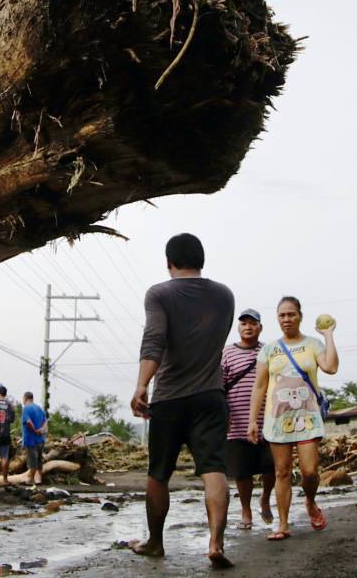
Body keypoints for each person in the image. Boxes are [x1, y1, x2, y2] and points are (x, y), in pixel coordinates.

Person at [129, 233, 236, 569]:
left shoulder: (159, 293)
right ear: (201, 260)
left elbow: (155, 339)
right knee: (214, 469)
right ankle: (216, 542)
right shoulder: (225, 295)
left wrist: (141, 385)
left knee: (158, 473)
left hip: (171, 397)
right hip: (211, 395)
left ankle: (155, 543)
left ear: (168, 262)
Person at [248, 296, 339, 541]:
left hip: (308, 418)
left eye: (291, 314)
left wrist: (328, 335)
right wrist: (252, 420)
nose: (286, 319)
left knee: (310, 472)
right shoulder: (269, 349)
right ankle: (283, 524)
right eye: (282, 315)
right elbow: (259, 387)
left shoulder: (313, 344)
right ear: (277, 319)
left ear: (300, 316)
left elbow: (331, 367)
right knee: (282, 472)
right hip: (277, 420)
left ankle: (310, 500)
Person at [222, 308, 275, 529]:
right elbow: (219, 384)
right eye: (244, 323)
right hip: (236, 422)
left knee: (271, 466)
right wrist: (222, 414)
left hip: (268, 420)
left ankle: (265, 498)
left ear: (260, 327)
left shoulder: (270, 351)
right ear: (238, 327)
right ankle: (246, 511)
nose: (248, 327)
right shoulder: (226, 352)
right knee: (242, 472)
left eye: (253, 323)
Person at [21, 391, 48, 486]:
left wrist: (35, 430)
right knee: (39, 460)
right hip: (40, 439)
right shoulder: (39, 408)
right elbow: (45, 421)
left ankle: (30, 480)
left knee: (32, 461)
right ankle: (39, 479)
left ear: (25, 398)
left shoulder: (26, 409)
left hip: (30, 439)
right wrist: (41, 429)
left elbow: (28, 422)